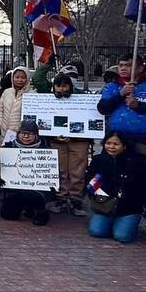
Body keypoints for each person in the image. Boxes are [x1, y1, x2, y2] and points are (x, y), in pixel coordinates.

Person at [97, 54, 146, 167]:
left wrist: (139, 106)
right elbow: (103, 109)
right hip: (116, 139)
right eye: (121, 65)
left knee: (142, 172)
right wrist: (120, 95)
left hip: (144, 140)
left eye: (128, 65)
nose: (123, 68)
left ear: (140, 68)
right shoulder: (111, 87)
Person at [84, 131, 146, 244]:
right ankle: (111, 222)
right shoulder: (98, 160)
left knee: (123, 236)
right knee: (96, 231)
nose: (111, 147)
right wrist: (99, 196)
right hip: (105, 204)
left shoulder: (138, 162)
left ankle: (124, 222)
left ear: (124, 146)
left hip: (129, 207)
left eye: (116, 144)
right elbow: (91, 182)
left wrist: (141, 202)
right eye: (108, 143)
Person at [45, 73, 91, 217]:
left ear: (70, 86)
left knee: (78, 171)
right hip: (57, 141)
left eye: (65, 86)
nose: (62, 89)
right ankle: (61, 198)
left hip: (79, 140)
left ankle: (76, 199)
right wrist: (54, 135)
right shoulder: (48, 100)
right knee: (60, 170)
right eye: (58, 86)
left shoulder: (81, 98)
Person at [0, 119, 51, 226]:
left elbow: (53, 174)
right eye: (23, 133)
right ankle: (24, 207)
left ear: (36, 135)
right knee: (8, 215)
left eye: (30, 134)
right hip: (14, 188)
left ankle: (40, 210)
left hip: (37, 190)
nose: (26, 137)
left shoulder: (46, 150)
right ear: (18, 134)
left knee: (33, 197)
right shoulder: (8, 147)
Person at [0, 66, 30, 145]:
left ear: (27, 79)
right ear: (12, 78)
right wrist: (0, 124)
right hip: (4, 131)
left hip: (22, 134)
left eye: (23, 77)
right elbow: (0, 109)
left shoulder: (32, 94)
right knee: (4, 151)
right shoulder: (6, 92)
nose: (20, 80)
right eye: (17, 77)